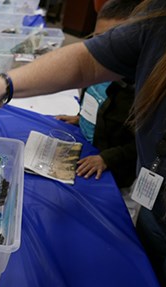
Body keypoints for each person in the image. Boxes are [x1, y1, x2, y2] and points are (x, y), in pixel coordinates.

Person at [0, 0, 166, 287]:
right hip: (156, 201)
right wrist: (4, 83)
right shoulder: (160, 18)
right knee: (150, 282)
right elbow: (88, 61)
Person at [56, 0, 140, 188]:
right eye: (99, 39)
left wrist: (106, 159)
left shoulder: (139, 92)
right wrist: (81, 118)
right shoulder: (96, 71)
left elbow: (140, 146)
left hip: (112, 170)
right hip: (87, 145)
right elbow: (94, 101)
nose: (105, 50)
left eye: (113, 42)